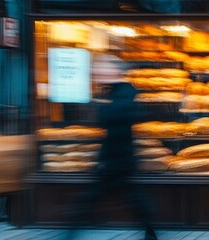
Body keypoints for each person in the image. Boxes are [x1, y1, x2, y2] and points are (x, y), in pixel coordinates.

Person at [65, 56, 157, 240]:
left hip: (116, 158)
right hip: (118, 158)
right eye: (96, 70)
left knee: (91, 199)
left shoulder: (125, 92)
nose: (97, 73)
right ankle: (150, 233)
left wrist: (101, 106)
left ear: (114, 71)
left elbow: (112, 119)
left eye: (101, 69)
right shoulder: (115, 92)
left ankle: (69, 234)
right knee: (132, 198)